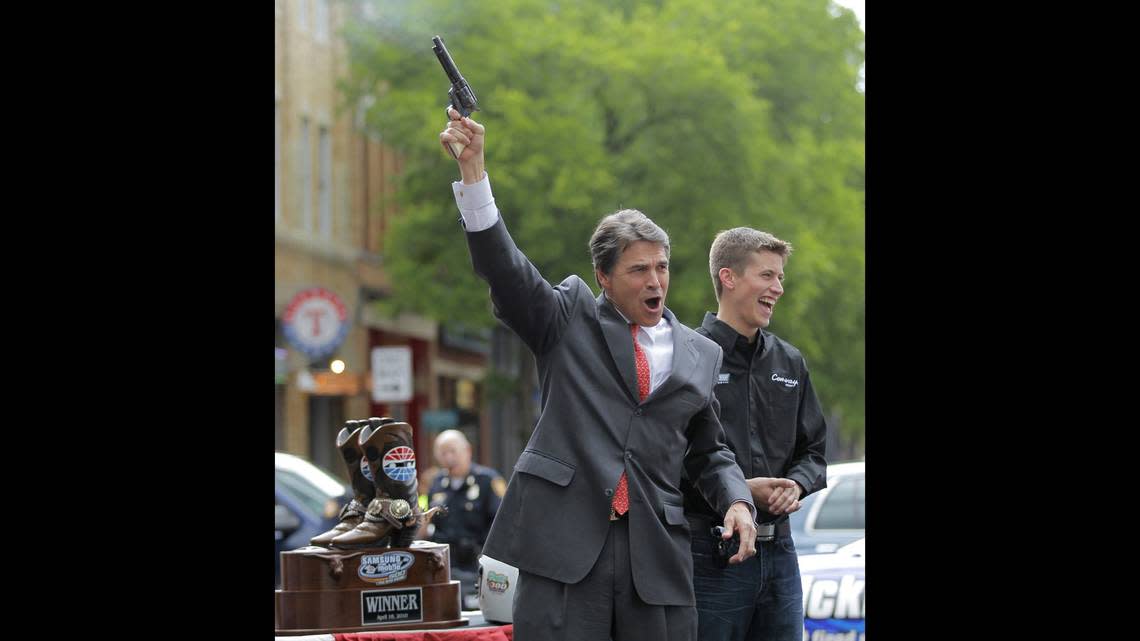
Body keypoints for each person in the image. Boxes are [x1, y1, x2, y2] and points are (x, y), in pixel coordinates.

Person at [439, 108, 759, 641]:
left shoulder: (700, 353)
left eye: (662, 267)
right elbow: (506, 270)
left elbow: (708, 451)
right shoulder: (568, 318)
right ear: (604, 278)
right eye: (639, 269)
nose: (656, 280)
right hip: (565, 553)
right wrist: (474, 175)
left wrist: (737, 500)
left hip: (655, 558)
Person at [683, 227, 829, 641]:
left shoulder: (791, 361)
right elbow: (662, 458)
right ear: (728, 278)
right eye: (767, 275)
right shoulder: (686, 356)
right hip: (710, 556)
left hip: (780, 554)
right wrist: (738, 491)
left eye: (780, 277)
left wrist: (795, 486)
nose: (778, 288)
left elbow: (815, 453)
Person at [422, 429, 505, 606]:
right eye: (443, 453)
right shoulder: (437, 484)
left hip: (478, 564)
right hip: (447, 566)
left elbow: (501, 522)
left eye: (453, 451)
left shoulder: (487, 480)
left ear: (467, 450)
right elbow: (429, 524)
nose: (449, 457)